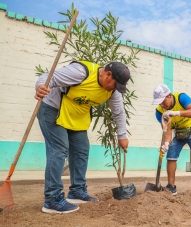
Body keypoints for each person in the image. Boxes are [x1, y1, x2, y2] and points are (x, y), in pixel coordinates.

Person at [35, 60, 130, 214]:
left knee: (81, 149)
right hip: (53, 108)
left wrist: (122, 135)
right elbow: (48, 77)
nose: (115, 89)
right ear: (108, 74)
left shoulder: (113, 90)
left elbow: (119, 112)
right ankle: (52, 199)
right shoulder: (81, 72)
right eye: (115, 84)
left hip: (76, 116)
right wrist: (40, 86)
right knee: (59, 149)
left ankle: (77, 191)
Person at [151, 84, 191, 197]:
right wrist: (166, 143)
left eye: (163, 101)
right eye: (159, 102)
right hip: (178, 132)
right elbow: (167, 131)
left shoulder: (182, 98)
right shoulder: (159, 112)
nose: (162, 104)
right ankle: (171, 187)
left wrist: (176, 113)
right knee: (171, 156)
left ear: (170, 96)